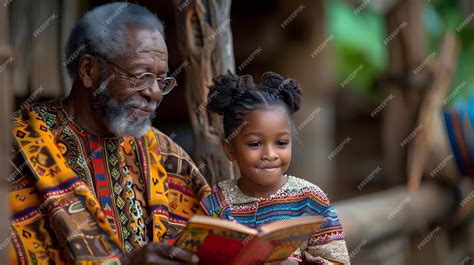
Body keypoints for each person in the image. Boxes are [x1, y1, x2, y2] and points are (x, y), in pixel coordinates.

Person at [9, 3, 210, 264]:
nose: (156, 94)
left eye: (161, 80)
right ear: (89, 71)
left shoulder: (165, 154)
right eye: (141, 76)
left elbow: (209, 239)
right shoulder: (15, 146)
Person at [200, 71, 350, 264]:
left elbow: (338, 261)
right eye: (255, 144)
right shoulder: (215, 204)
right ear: (229, 149)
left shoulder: (310, 200)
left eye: (281, 143)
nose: (270, 154)